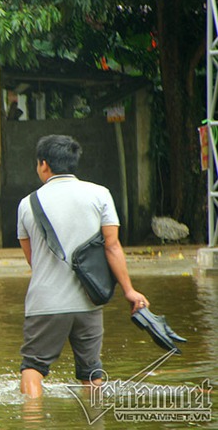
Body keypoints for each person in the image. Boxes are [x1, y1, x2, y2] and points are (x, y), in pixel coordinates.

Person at [16, 134, 150, 398]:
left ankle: (32, 420)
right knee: (92, 374)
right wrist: (129, 291)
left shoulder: (27, 204)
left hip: (46, 303)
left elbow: (32, 259)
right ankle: (93, 420)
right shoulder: (100, 195)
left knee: (32, 369)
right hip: (89, 301)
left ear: (44, 164)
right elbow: (112, 246)